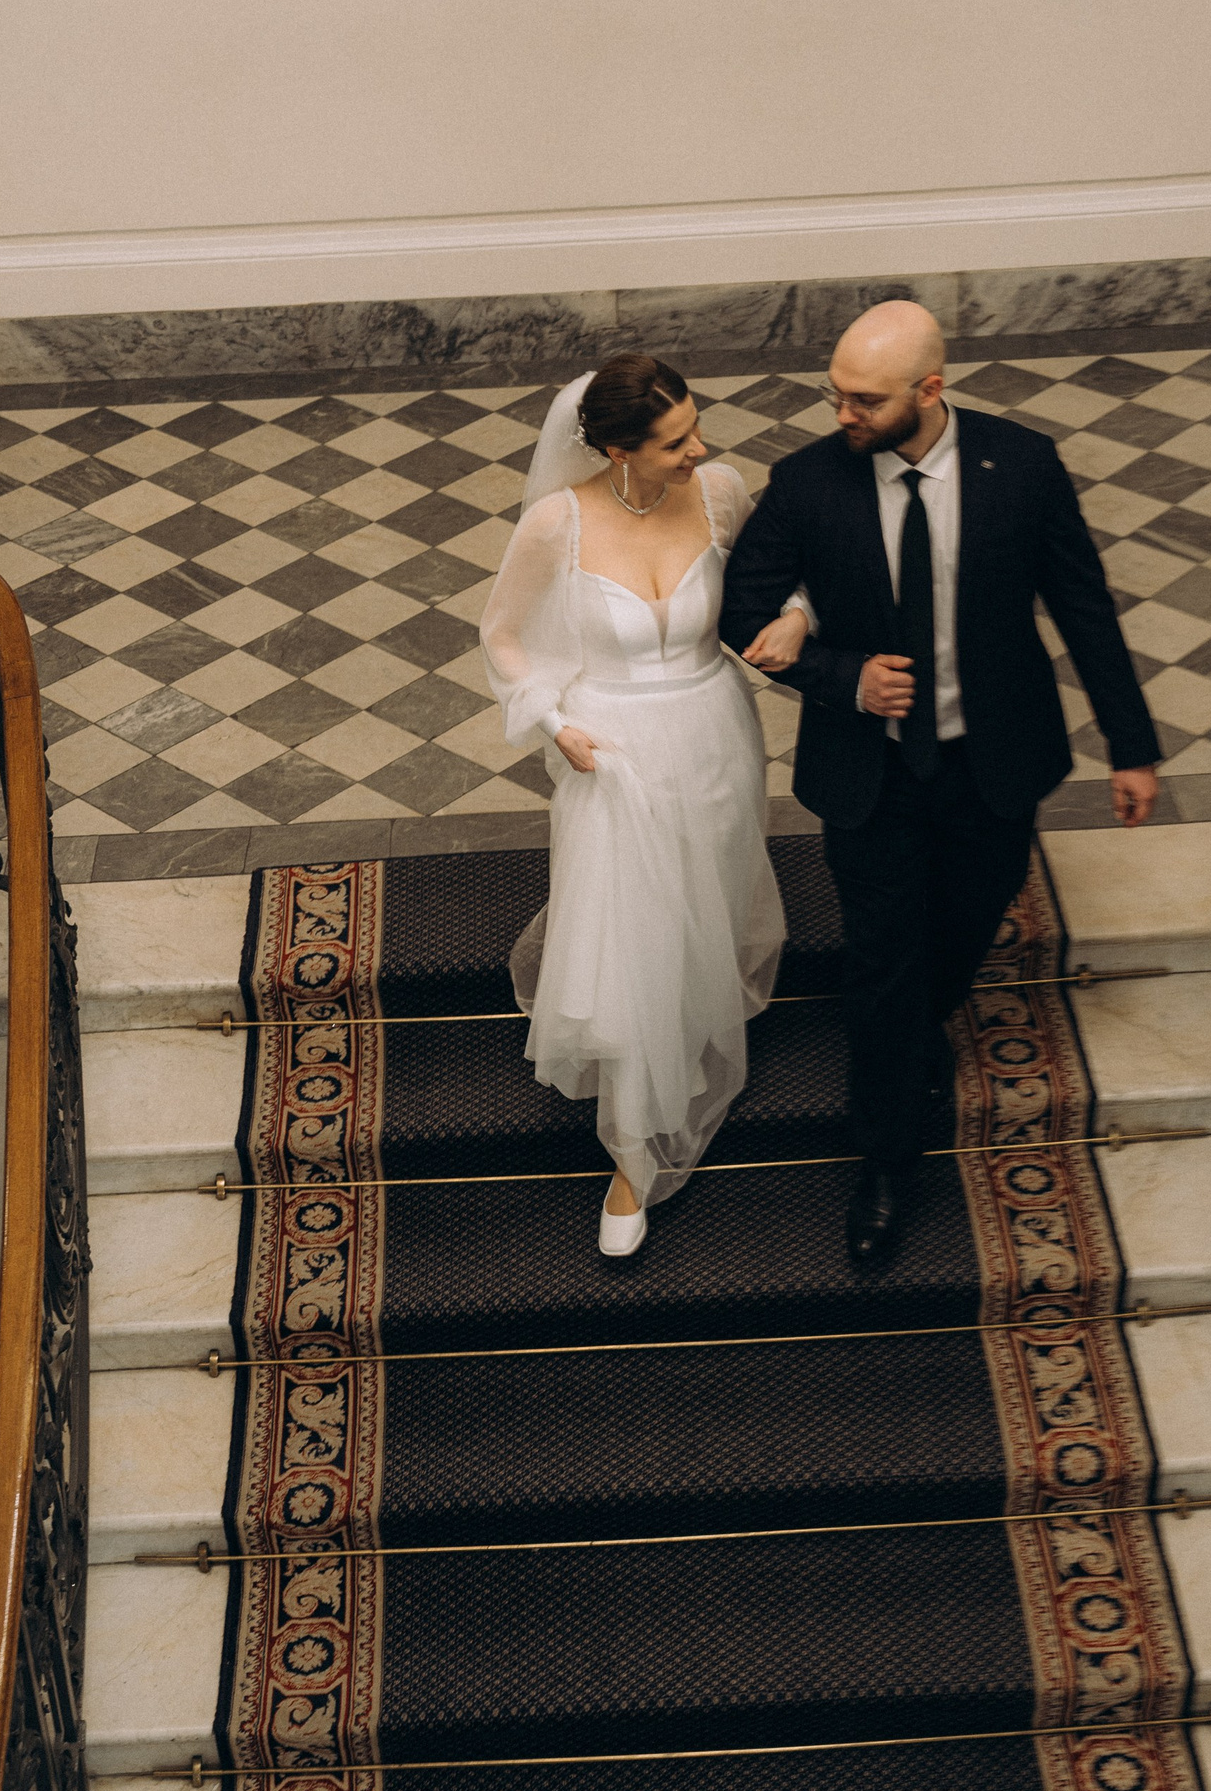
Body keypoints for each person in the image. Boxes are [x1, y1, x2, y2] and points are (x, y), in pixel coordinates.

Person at [720, 300, 1161, 1271]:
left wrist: (1132, 748)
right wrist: (844, 677)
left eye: (866, 400)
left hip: (993, 762)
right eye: (836, 394)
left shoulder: (1023, 466)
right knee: (882, 961)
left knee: (959, 935)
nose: (844, 414)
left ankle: (918, 1031)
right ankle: (885, 1165)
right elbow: (741, 609)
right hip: (871, 773)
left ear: (930, 389)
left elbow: (1082, 605)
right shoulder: (808, 482)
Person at [482, 356, 810, 1261]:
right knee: (633, 934)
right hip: (612, 753)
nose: (698, 449)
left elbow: (778, 578)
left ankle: (692, 1018)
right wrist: (554, 722)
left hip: (714, 736)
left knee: (704, 898)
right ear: (618, 451)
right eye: (674, 443)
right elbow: (501, 635)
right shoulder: (558, 524)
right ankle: (633, 1155)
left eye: (695, 427)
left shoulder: (720, 492)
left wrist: (795, 613)